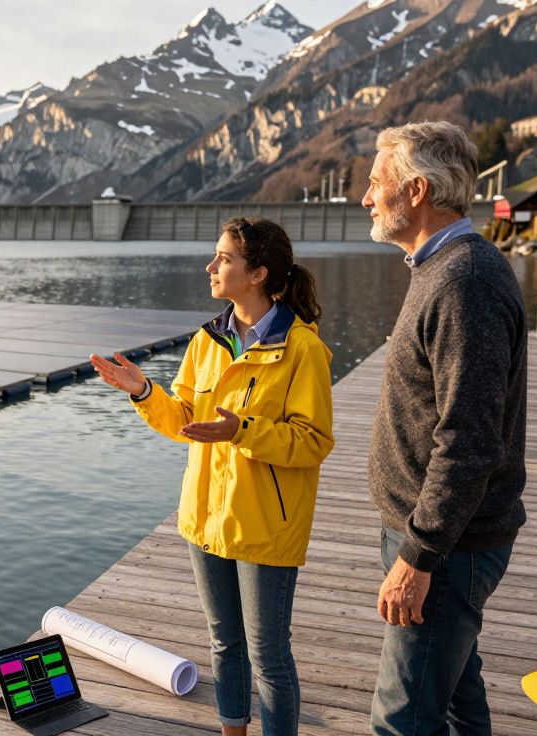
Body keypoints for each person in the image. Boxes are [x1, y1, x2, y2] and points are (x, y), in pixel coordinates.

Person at [90, 217, 334, 736]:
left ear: (258, 274)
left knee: (268, 655)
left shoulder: (303, 351)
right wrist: (143, 392)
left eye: (223, 258)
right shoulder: (207, 341)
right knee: (224, 641)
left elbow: (313, 442)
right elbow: (185, 422)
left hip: (266, 525)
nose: (211, 266)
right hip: (205, 519)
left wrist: (241, 430)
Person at [361, 121, 528, 735]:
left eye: (376, 183)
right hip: (434, 535)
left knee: (399, 719)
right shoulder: (440, 267)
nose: (366, 197)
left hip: (446, 545)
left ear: (417, 190)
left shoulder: (465, 283)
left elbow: (469, 441)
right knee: (457, 697)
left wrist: (418, 556)